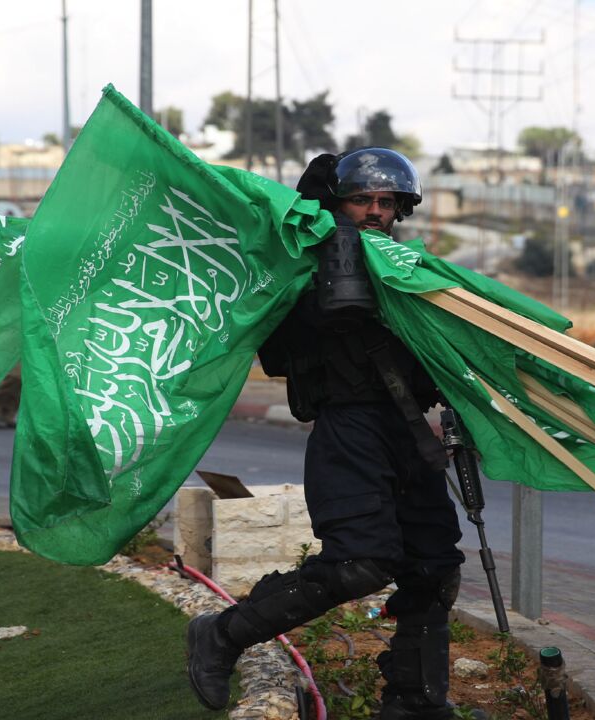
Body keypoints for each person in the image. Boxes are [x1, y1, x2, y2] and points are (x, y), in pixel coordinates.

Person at [186, 148, 475, 720]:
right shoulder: (304, 268)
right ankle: (222, 636)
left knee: (434, 567)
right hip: (351, 431)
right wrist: (327, 271)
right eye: (361, 200)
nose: (374, 212)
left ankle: (414, 704)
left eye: (385, 202)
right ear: (336, 204)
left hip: (408, 431)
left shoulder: (407, 268)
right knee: (360, 563)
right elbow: (278, 331)